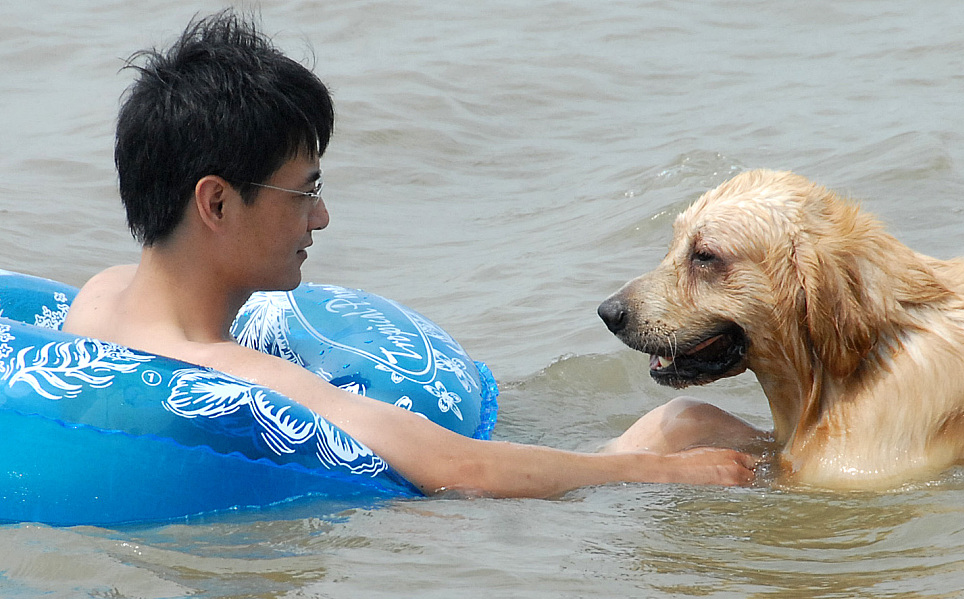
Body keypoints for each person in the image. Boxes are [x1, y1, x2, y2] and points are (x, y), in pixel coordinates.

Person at [63, 10, 766, 498]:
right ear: (215, 203)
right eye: (304, 191)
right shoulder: (236, 373)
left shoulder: (100, 297)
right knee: (687, 426)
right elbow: (463, 468)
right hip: (414, 492)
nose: (322, 216)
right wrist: (665, 473)